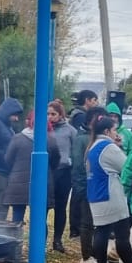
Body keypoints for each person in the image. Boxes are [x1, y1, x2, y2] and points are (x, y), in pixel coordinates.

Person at [86, 114, 132, 263]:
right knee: (122, 235)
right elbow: (126, 166)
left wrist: (116, 144)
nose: (116, 133)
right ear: (107, 131)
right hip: (110, 193)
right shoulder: (108, 146)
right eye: (114, 130)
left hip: (96, 193)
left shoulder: (93, 145)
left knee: (102, 230)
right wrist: (119, 146)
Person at [0, 110, 58, 224]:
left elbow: (8, 159)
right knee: (40, 220)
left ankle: (17, 241)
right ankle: (40, 242)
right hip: (42, 182)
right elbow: (55, 161)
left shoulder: (17, 138)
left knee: (17, 218)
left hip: (19, 183)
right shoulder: (50, 140)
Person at [69, 106, 107, 263]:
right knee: (87, 222)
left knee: (97, 222)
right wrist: (83, 187)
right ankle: (86, 257)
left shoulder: (96, 138)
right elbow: (78, 165)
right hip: (87, 186)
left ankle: (95, 254)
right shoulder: (82, 139)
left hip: (98, 187)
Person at [48, 100, 76, 253]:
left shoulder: (70, 130)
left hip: (64, 172)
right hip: (47, 172)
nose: (50, 117)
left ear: (60, 115)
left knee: (60, 207)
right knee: (44, 206)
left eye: (53, 114)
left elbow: (75, 150)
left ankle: (57, 240)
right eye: (48, 114)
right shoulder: (43, 129)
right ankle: (42, 240)